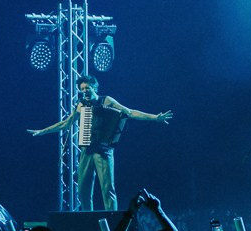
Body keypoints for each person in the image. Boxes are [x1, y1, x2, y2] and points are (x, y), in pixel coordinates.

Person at [28, 73, 172, 211]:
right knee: (83, 190)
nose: (85, 91)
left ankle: (112, 221)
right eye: (82, 89)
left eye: (87, 88)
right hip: (87, 150)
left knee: (108, 189)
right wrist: (42, 131)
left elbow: (129, 112)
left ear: (94, 87)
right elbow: (66, 124)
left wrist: (154, 117)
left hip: (104, 149)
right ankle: (87, 220)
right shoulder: (81, 105)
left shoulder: (106, 100)